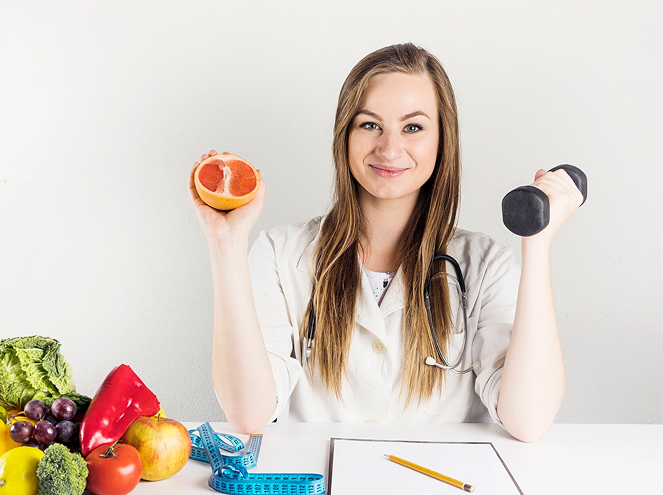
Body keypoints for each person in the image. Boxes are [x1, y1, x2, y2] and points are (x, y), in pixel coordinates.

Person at [187, 43, 583, 443]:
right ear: (345, 135)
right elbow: (248, 413)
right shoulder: (278, 254)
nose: (389, 149)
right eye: (369, 124)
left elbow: (528, 421)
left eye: (413, 127)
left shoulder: (486, 266)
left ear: (442, 141)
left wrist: (538, 243)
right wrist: (226, 242)